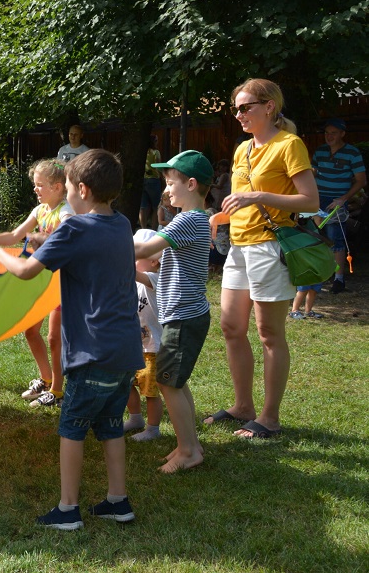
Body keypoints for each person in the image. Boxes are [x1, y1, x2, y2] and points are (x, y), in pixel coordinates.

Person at [0, 149, 142, 530]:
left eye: (68, 186)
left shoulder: (75, 228)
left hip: (93, 351)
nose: (67, 193)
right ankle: (118, 502)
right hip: (124, 350)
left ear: (81, 190)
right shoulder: (120, 225)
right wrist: (41, 240)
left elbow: (23, 271)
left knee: (72, 426)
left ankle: (68, 509)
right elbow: (79, 250)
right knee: (109, 425)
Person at [207, 78, 318, 440]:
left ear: (269, 106)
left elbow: (310, 201)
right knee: (231, 328)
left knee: (269, 333)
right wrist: (220, 216)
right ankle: (243, 407)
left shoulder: (290, 145)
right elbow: (242, 201)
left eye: (245, 107)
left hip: (270, 247)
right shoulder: (242, 150)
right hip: (238, 247)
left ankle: (269, 418)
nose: (238, 114)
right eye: (235, 108)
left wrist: (258, 196)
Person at [135, 150, 213, 472]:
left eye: (170, 183)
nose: (165, 190)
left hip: (183, 316)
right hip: (182, 315)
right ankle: (188, 444)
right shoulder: (194, 220)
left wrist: (103, 243)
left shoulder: (188, 220)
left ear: (191, 184)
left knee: (167, 383)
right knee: (175, 382)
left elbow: (144, 249)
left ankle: (189, 451)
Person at [0, 159, 71, 408]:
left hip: (61, 284)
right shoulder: (39, 210)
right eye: (35, 185)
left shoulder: (66, 211)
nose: (35, 189)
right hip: (40, 279)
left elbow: (66, 234)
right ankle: (46, 378)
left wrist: (40, 237)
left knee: (55, 338)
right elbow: (13, 235)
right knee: (30, 331)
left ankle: (57, 390)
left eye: (40, 185)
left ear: (57, 187)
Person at [312, 118, 365, 293]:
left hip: (336, 202)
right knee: (314, 237)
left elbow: (361, 181)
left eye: (334, 133)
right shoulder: (319, 151)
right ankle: (315, 276)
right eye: (327, 133)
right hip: (317, 200)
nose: (329, 136)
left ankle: (339, 279)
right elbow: (311, 175)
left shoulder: (352, 153)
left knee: (336, 239)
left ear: (342, 133)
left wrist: (343, 198)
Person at [125, 229, 164, 442]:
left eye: (136, 254)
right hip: (132, 346)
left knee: (150, 391)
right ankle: (135, 418)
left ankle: (153, 428)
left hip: (152, 348)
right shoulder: (134, 281)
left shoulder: (154, 279)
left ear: (154, 261)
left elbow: (132, 272)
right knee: (128, 384)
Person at [140, 135, 163, 229]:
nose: (157, 142)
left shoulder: (143, 152)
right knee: (156, 207)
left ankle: (143, 229)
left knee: (143, 207)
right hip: (153, 180)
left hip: (143, 180)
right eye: (156, 140)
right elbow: (158, 167)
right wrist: (162, 178)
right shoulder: (156, 152)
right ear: (153, 142)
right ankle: (153, 230)